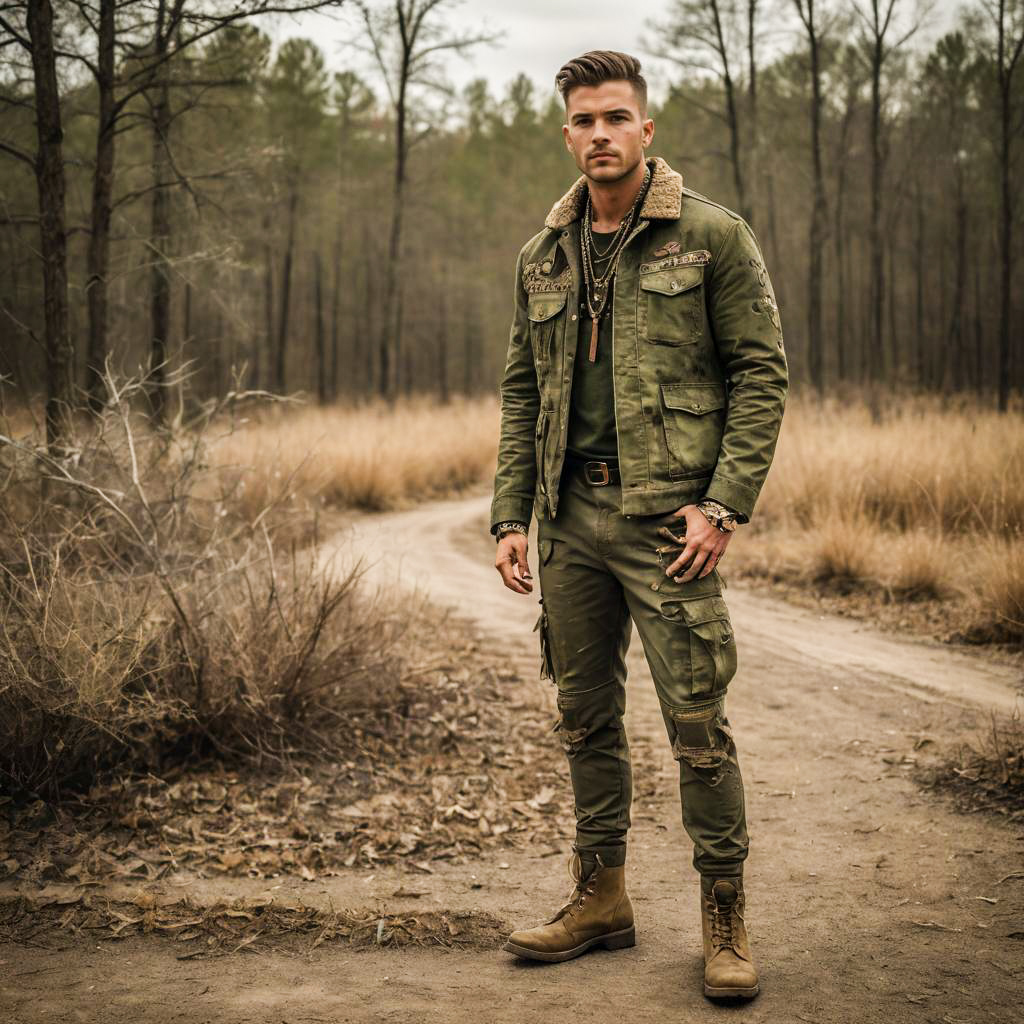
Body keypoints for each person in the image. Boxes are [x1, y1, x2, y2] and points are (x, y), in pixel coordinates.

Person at [488, 50, 788, 1000]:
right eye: (584, 120)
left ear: (646, 129)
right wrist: (509, 515)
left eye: (616, 117)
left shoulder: (711, 237)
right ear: (566, 134)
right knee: (584, 718)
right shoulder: (544, 254)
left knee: (697, 723)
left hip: (668, 523)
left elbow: (761, 376)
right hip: (569, 517)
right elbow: (523, 392)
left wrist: (722, 506)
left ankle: (725, 916)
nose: (600, 134)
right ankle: (601, 898)